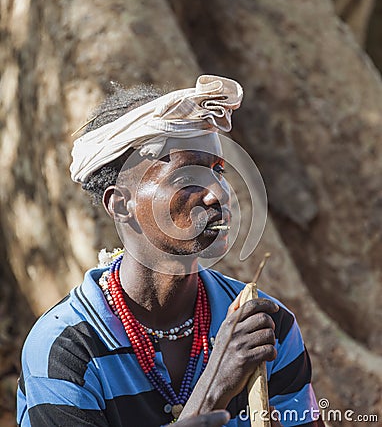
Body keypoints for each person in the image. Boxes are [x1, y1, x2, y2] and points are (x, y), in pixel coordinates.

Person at [17, 75, 324, 427]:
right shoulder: (67, 349)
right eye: (184, 178)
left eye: (217, 170)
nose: (218, 194)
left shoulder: (265, 327)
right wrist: (212, 389)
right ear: (121, 205)